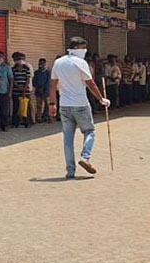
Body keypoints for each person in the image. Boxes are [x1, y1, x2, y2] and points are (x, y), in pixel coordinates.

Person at [50, 37, 111, 179]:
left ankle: (70, 171)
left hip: (64, 105)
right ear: (76, 48)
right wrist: (101, 99)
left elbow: (53, 84)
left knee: (67, 139)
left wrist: (52, 104)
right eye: (83, 48)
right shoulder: (81, 63)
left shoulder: (58, 63)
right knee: (89, 131)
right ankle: (85, 157)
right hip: (81, 105)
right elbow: (91, 84)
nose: (85, 51)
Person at [0, 51, 13, 131]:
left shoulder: (7, 67)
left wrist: (10, 92)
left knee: (4, 111)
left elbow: (11, 79)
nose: (0, 58)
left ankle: (3, 125)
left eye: (1, 56)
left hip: (5, 91)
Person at [33, 58, 52, 124]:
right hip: (38, 91)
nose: (41, 65)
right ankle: (39, 117)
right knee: (39, 105)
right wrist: (38, 88)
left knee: (47, 104)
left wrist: (43, 88)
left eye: (42, 63)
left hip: (46, 91)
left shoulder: (47, 72)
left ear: (45, 63)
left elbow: (48, 82)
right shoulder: (36, 72)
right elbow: (34, 81)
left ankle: (49, 117)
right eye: (40, 63)